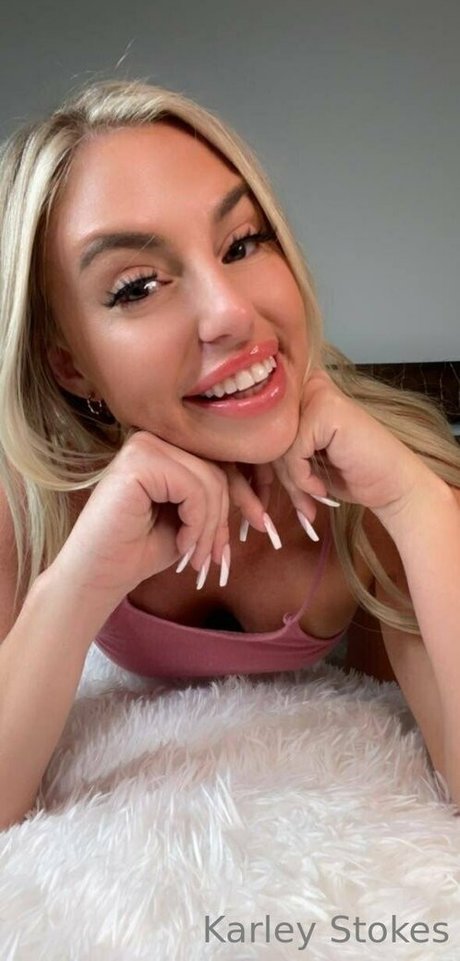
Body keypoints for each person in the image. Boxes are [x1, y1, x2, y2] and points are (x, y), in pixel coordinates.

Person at [1, 78, 459, 830]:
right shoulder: (32, 494)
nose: (231, 312)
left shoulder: (378, 488)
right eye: (137, 286)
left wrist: (417, 504)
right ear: (70, 365)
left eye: (243, 243)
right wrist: (81, 577)